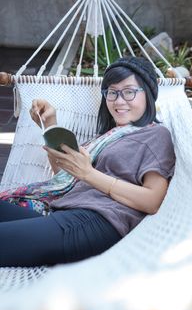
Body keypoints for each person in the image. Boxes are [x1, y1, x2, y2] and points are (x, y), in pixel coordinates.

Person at [0, 56, 175, 267]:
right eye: (112, 92)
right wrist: (50, 126)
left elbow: (153, 200)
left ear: (148, 94)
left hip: (98, 221)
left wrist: (88, 173)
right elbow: (67, 180)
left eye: (129, 91)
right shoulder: (108, 136)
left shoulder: (156, 135)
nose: (119, 101)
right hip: (64, 211)